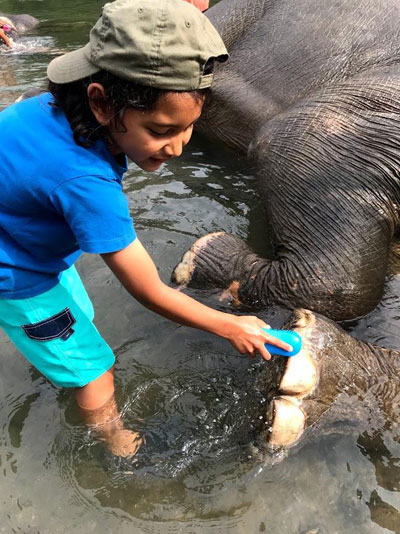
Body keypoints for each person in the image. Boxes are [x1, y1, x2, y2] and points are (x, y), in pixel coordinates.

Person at [0, 0, 291, 458]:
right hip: (17, 272)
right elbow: (148, 291)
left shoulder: (54, 109)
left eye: (189, 127)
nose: (176, 147)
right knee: (97, 374)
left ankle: (61, 360)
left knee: (80, 320)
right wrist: (227, 324)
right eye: (160, 129)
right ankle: (118, 450)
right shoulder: (85, 183)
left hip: (25, 241)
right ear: (99, 101)